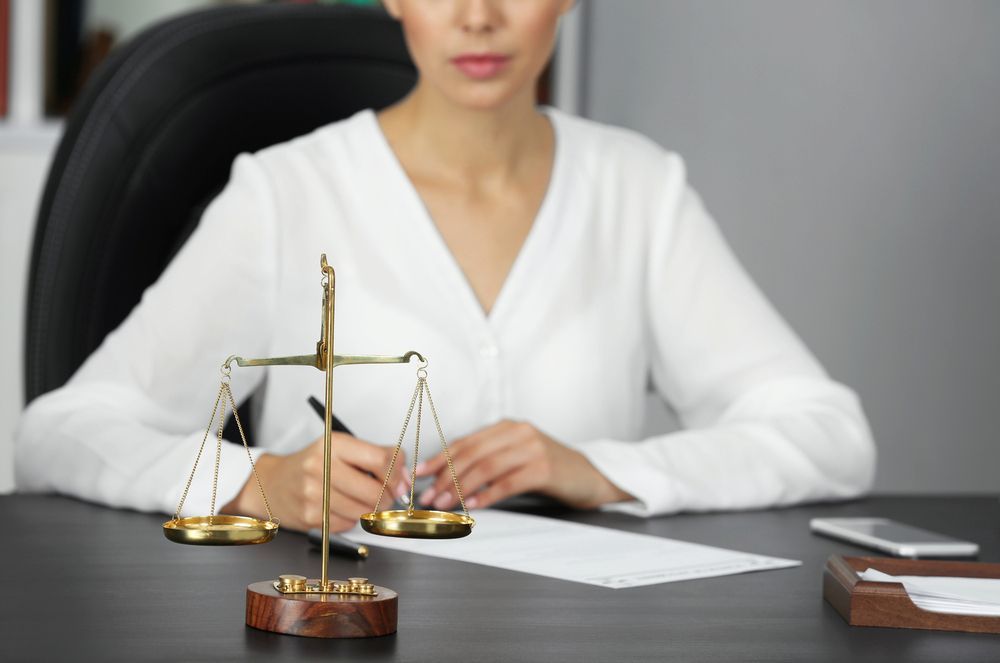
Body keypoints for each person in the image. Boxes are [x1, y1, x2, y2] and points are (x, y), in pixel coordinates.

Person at [15, 0, 875, 533]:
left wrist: (605, 469)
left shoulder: (638, 189)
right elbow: (60, 431)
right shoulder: (286, 193)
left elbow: (828, 434)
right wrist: (258, 482)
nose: (477, 15)